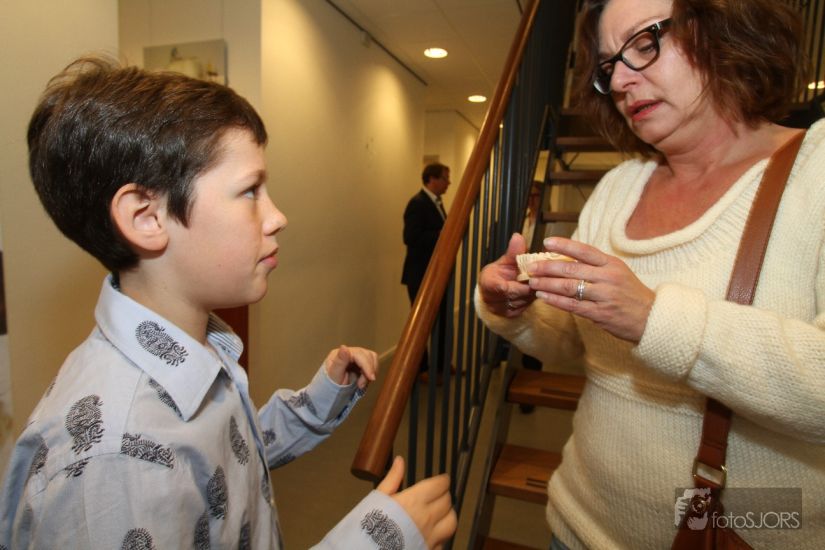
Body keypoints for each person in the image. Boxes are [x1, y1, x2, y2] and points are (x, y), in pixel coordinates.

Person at [0, 57, 456, 549]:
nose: (277, 217)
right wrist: (376, 542)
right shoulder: (113, 462)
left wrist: (319, 399)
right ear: (147, 217)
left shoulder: (192, 347)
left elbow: (224, 462)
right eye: (250, 191)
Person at [476, 0, 825, 548]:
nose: (620, 81)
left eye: (645, 43)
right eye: (608, 65)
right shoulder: (617, 189)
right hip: (576, 522)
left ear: (724, 26)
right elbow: (575, 343)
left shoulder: (816, 172)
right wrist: (515, 309)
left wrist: (653, 318)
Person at [402, 163, 451, 376]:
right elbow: (410, 237)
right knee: (421, 323)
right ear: (432, 179)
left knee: (441, 320)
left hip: (436, 273)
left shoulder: (436, 203)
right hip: (420, 274)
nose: (449, 182)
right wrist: (442, 233)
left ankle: (439, 367)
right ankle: (421, 368)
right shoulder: (417, 203)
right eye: (445, 178)